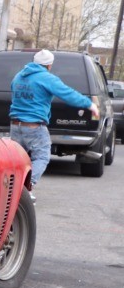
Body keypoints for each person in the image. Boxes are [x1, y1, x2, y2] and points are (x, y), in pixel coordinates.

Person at [9, 49, 100, 188]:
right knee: (42, 157)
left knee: (18, 160)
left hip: (15, 125)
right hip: (34, 127)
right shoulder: (46, 78)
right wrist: (89, 104)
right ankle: (25, 187)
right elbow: (67, 94)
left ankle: (11, 188)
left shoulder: (19, 76)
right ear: (49, 65)